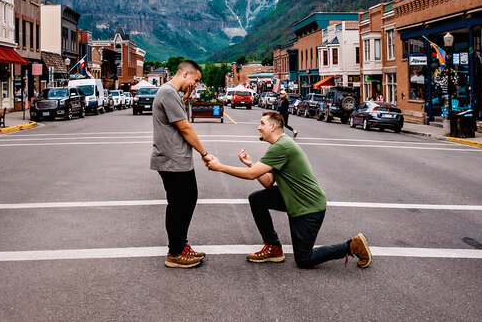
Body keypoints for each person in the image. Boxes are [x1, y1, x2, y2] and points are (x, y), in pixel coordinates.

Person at [206, 111, 371, 269]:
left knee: (305, 259)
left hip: (309, 207)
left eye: (262, 123)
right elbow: (268, 182)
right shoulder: (279, 145)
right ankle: (273, 247)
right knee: (257, 199)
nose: (258, 127)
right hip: (294, 198)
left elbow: (251, 175)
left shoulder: (282, 147)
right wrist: (251, 164)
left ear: (273, 127)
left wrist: (220, 167)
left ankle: (352, 246)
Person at [150, 60, 213, 269]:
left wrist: (186, 98)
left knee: (186, 201)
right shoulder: (168, 93)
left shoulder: (173, 94)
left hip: (177, 159)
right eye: (195, 79)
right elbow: (185, 128)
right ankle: (175, 253)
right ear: (186, 73)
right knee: (179, 204)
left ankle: (181, 245)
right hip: (172, 159)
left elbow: (177, 118)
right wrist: (205, 153)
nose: (195, 84)